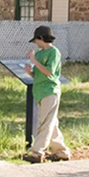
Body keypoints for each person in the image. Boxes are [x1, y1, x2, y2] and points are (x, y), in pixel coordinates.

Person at [22, 25, 70, 163]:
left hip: (50, 91)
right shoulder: (38, 54)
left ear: (41, 38)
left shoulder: (54, 52)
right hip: (40, 92)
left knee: (45, 123)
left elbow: (49, 73)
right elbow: (38, 75)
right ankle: (61, 152)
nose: (35, 43)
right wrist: (29, 72)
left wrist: (34, 61)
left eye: (36, 40)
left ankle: (37, 152)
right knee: (51, 123)